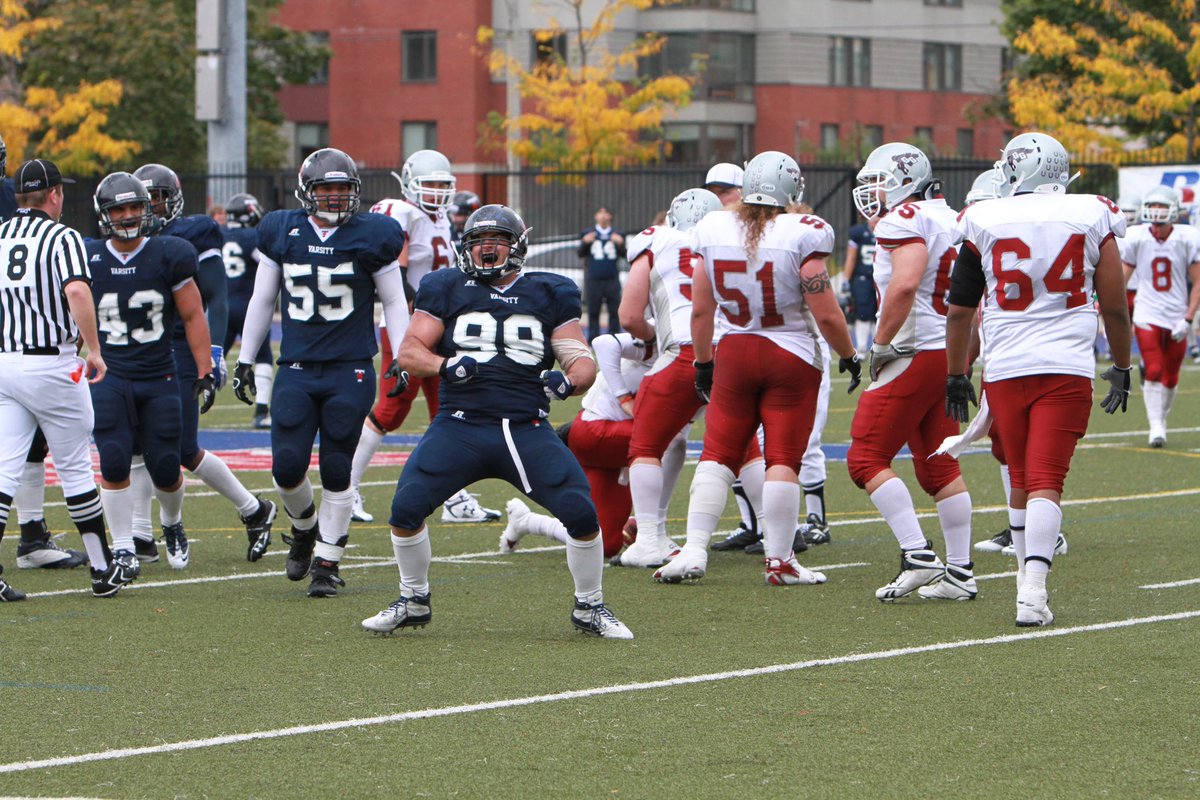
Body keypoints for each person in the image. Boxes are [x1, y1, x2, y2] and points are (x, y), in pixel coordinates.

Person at [360, 204, 632, 639]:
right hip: (459, 425)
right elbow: (410, 350)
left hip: (523, 426)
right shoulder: (444, 285)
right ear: (465, 247)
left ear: (518, 246)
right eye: (479, 241)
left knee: (582, 514)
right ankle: (413, 599)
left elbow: (579, 357)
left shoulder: (549, 289)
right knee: (405, 508)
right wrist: (447, 365)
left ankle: (590, 606)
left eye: (498, 241)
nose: (487, 249)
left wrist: (568, 381)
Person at [946, 131, 1132, 627]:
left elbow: (960, 310)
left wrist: (956, 373)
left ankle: (1027, 583)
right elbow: (1114, 304)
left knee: (1023, 477)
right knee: (1048, 478)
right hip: (1065, 366)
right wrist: (1121, 364)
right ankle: (1033, 587)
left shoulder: (983, 217)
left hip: (1005, 368)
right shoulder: (1093, 211)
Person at [654, 151, 862, 586]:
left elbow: (701, 310)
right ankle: (780, 561)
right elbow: (825, 312)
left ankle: (693, 550)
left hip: (734, 351)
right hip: (790, 354)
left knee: (717, 454)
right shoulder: (804, 231)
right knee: (782, 458)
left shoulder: (713, 227)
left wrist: (705, 362)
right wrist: (848, 354)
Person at [234, 147, 410, 598]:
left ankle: (328, 563)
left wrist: (401, 356)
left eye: (342, 188)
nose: (334, 197)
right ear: (307, 191)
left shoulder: (373, 235)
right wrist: (246, 358)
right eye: (325, 188)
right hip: (295, 366)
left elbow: (393, 301)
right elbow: (261, 299)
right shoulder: (282, 230)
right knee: (286, 468)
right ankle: (304, 528)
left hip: (349, 366)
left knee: (337, 468)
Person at [845, 142, 976, 602]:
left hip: (913, 349)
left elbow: (903, 284)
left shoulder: (906, 219)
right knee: (939, 465)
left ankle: (918, 554)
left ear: (904, 180)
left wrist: (879, 344)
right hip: (945, 350)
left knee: (864, 459)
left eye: (879, 182)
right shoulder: (955, 217)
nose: (873, 193)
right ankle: (960, 572)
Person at [0, 158, 131, 599]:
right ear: (54, 193)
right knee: (75, 467)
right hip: (52, 364)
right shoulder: (62, 237)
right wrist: (93, 349)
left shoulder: (1, 234)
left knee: (3, 473)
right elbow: (76, 290)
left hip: (6, 362)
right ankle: (101, 567)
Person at [348, 149, 499, 526]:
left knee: (449, 409)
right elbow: (394, 275)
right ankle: (343, 489)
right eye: (429, 184)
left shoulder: (441, 218)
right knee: (392, 408)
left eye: (441, 185)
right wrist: (426, 311)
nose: (436, 192)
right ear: (410, 184)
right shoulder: (401, 212)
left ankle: (454, 497)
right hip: (411, 325)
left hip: (442, 327)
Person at [134, 164, 275, 567]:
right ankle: (142, 537)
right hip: (140, 350)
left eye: (158, 198)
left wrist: (211, 354)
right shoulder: (128, 238)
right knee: (136, 445)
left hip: (179, 348)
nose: (150, 208)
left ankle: (247, 510)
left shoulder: (192, 232)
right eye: (144, 200)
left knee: (181, 447)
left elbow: (216, 296)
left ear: (173, 198)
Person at [87, 172, 215, 575]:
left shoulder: (168, 253)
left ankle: (173, 523)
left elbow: (193, 314)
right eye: (118, 209)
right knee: (112, 459)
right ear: (104, 214)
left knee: (164, 465)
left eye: (134, 207)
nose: (127, 216)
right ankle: (124, 548)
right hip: (111, 374)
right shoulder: (88, 256)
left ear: (146, 210)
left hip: (159, 374)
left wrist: (206, 368)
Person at [503, 332, 686, 559]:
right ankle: (656, 533)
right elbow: (604, 342)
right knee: (672, 442)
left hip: (615, 447)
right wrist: (623, 398)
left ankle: (527, 521)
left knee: (605, 543)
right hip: (596, 432)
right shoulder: (664, 344)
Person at [615, 188, 721, 567]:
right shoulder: (727, 241)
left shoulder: (656, 239)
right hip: (735, 350)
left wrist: (652, 338)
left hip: (686, 350)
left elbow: (629, 317)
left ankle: (648, 537)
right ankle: (778, 546)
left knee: (644, 445)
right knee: (740, 450)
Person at [1122, 185, 1200, 447]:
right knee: (1153, 368)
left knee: (1171, 376)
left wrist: (1188, 318)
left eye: (1162, 206)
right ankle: (1156, 426)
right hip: (1147, 312)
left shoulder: (1187, 237)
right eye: (1153, 205)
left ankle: (1161, 418)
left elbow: (1198, 282)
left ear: (1173, 210)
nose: (1156, 211)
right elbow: (1123, 277)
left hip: (1177, 313)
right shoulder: (1137, 237)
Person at [221, 192, 274, 429]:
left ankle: (192, 402)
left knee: (214, 358)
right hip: (247, 304)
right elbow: (266, 262)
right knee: (262, 356)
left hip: (221, 307)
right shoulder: (252, 236)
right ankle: (261, 411)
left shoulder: (219, 236)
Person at [578, 206, 625, 342]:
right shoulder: (588, 233)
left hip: (612, 278)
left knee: (614, 310)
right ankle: (593, 339)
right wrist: (585, 242)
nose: (603, 216)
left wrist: (621, 244)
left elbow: (625, 254)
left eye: (606, 213)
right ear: (595, 216)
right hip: (593, 279)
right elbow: (580, 253)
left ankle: (614, 338)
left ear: (610, 216)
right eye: (600, 212)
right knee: (593, 311)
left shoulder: (618, 234)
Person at [841, 212, 878, 352]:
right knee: (863, 311)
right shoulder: (858, 232)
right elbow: (851, 258)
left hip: (881, 277)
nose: (877, 219)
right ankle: (862, 347)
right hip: (863, 276)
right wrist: (846, 279)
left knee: (880, 313)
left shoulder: (888, 231)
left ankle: (878, 347)